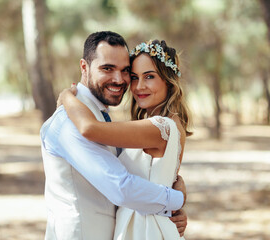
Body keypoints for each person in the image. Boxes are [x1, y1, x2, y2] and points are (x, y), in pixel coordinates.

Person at [40, 31, 187, 240]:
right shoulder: (67, 120)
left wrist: (65, 95)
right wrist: (175, 200)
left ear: (169, 81)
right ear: (84, 67)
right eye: (107, 68)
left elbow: (91, 129)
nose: (121, 80)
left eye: (125, 71)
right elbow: (122, 187)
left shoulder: (157, 126)